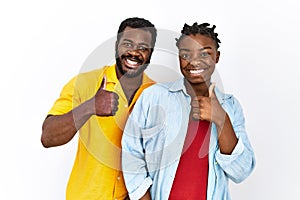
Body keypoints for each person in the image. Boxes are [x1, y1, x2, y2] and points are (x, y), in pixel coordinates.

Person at [121, 22, 255, 200]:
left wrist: (221, 119)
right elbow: (132, 151)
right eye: (186, 54)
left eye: (205, 53)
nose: (194, 61)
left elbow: (241, 172)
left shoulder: (230, 106)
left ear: (217, 56)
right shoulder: (154, 97)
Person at [41, 17, 157, 200]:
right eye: (128, 43)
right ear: (116, 45)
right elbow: (48, 137)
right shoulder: (85, 83)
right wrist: (90, 107)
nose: (134, 52)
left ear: (151, 53)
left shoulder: (155, 93)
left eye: (143, 47)